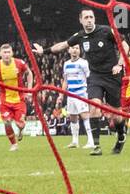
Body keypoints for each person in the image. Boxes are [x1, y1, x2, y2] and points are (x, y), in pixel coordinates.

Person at [36, 10, 123, 156]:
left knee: (117, 115)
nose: (89, 20)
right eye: (86, 18)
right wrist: (44, 51)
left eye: (91, 17)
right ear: (81, 20)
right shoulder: (80, 36)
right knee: (95, 107)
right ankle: (96, 146)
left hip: (112, 75)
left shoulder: (107, 31)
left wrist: (119, 64)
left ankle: (121, 137)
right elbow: (63, 45)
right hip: (95, 77)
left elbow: (124, 46)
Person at [0, 43, 34, 152]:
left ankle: (20, 129)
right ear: (0, 54)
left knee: (20, 124)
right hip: (4, 99)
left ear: (12, 53)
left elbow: (29, 73)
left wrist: (29, 90)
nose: (7, 54)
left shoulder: (19, 63)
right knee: (7, 122)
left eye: (9, 52)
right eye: (4, 52)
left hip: (19, 99)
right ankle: (14, 144)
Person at [62, 49, 92, 148]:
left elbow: (89, 77)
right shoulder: (66, 64)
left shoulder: (83, 63)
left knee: (85, 116)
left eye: (77, 48)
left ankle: (91, 141)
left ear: (80, 51)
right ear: (69, 50)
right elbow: (65, 80)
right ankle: (75, 141)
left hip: (81, 93)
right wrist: (62, 94)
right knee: (73, 117)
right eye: (73, 48)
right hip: (70, 94)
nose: (75, 50)